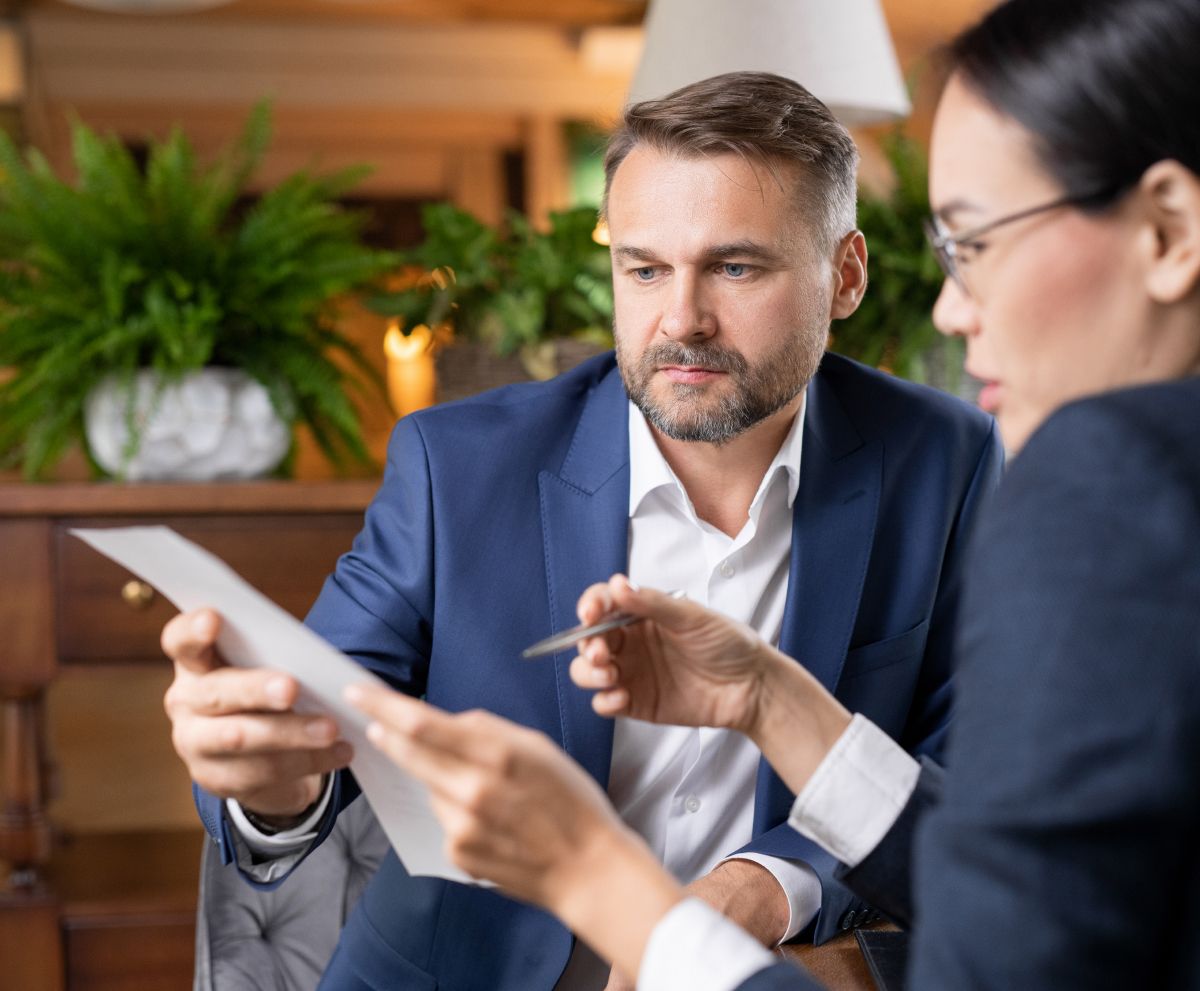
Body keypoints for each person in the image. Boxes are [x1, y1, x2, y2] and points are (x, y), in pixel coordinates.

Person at [348, 0, 1200, 988]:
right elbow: (1033, 888)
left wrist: (606, 882)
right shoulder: (454, 460)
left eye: (974, 242)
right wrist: (769, 697)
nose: (949, 307)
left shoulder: (1102, 487)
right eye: (643, 267)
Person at [161, 73, 1002, 990]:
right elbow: (314, 718)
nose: (680, 320)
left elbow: (964, 769)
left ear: (845, 274)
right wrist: (274, 786)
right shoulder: (458, 467)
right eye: (644, 268)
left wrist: (766, 882)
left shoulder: (945, 458)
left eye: (735, 267)